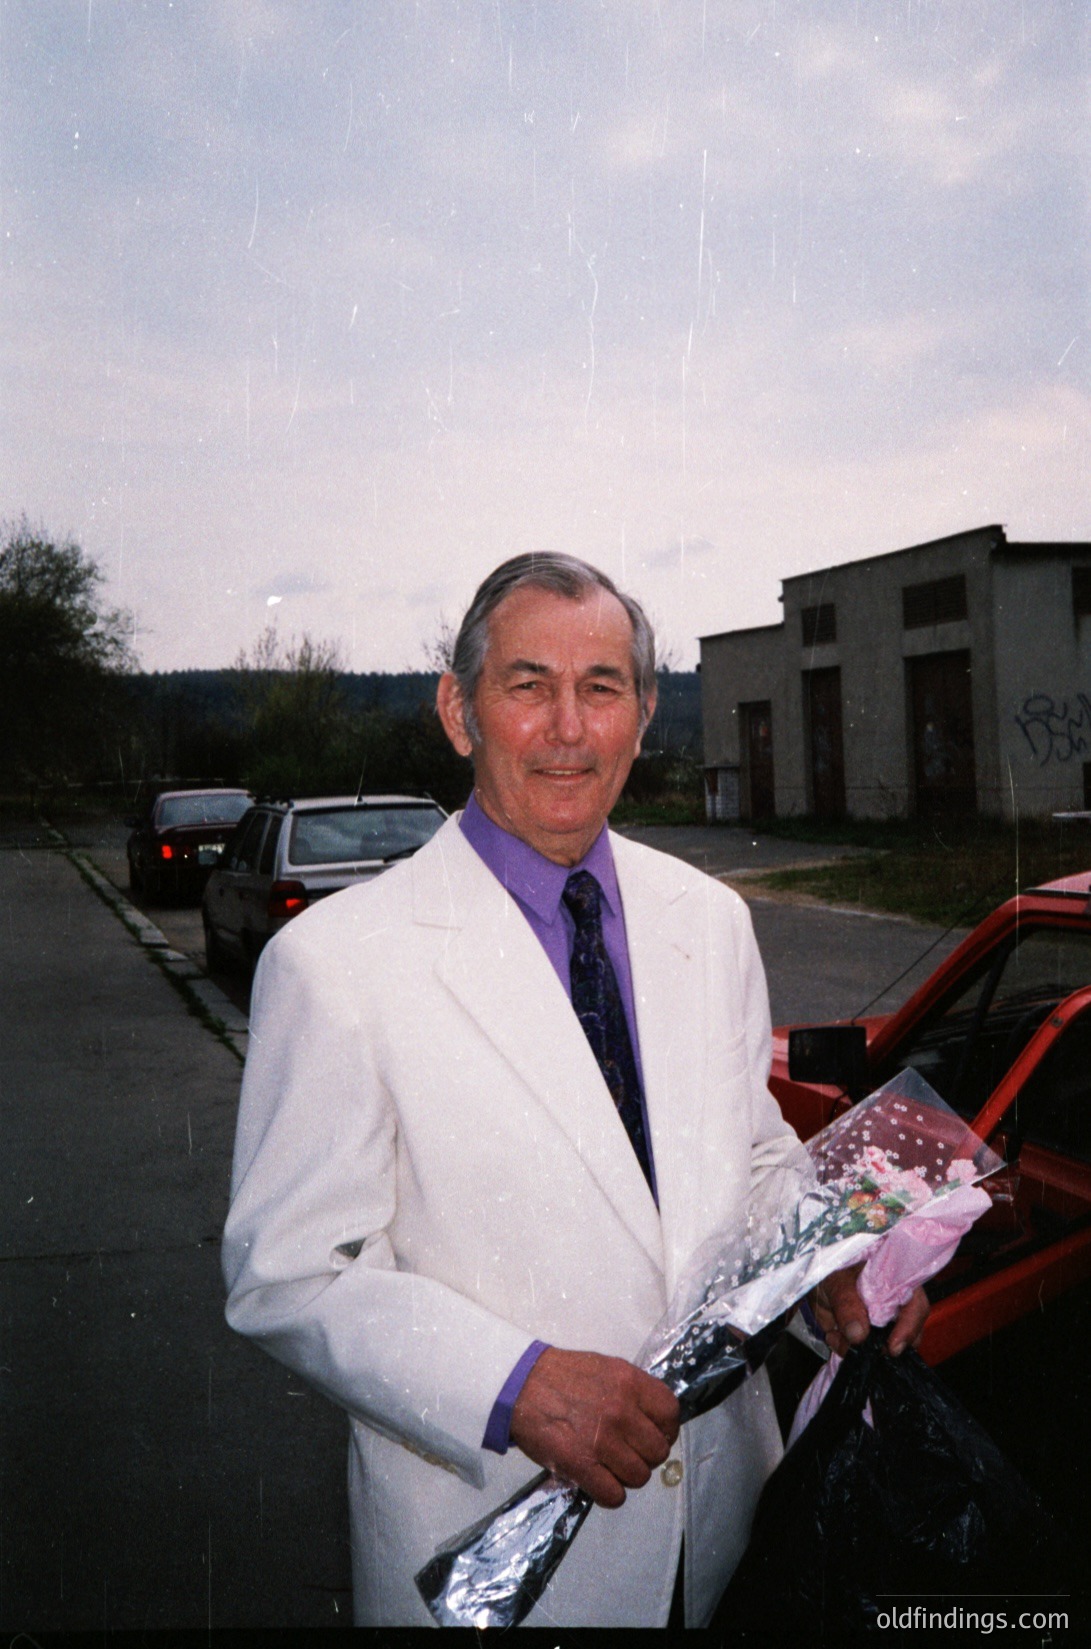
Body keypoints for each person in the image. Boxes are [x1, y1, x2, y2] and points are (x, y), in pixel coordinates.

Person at [221, 553, 927, 1627]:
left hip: (730, 1531)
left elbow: (748, 1153)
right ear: (457, 711)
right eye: (525, 684)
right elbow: (289, 1271)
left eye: (600, 687)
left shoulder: (707, 922)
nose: (566, 726)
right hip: (498, 1559)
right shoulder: (337, 962)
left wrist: (829, 1267)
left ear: (642, 714)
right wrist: (515, 1383)